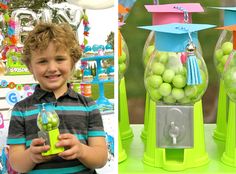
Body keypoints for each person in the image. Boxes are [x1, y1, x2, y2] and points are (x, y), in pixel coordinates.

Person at [7, 22, 108, 174]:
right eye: (42, 61)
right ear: (30, 67)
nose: (52, 68)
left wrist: (81, 150)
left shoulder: (88, 106)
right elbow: (16, 163)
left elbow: (100, 158)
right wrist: (31, 156)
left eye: (60, 59)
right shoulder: (22, 109)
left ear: (72, 62)